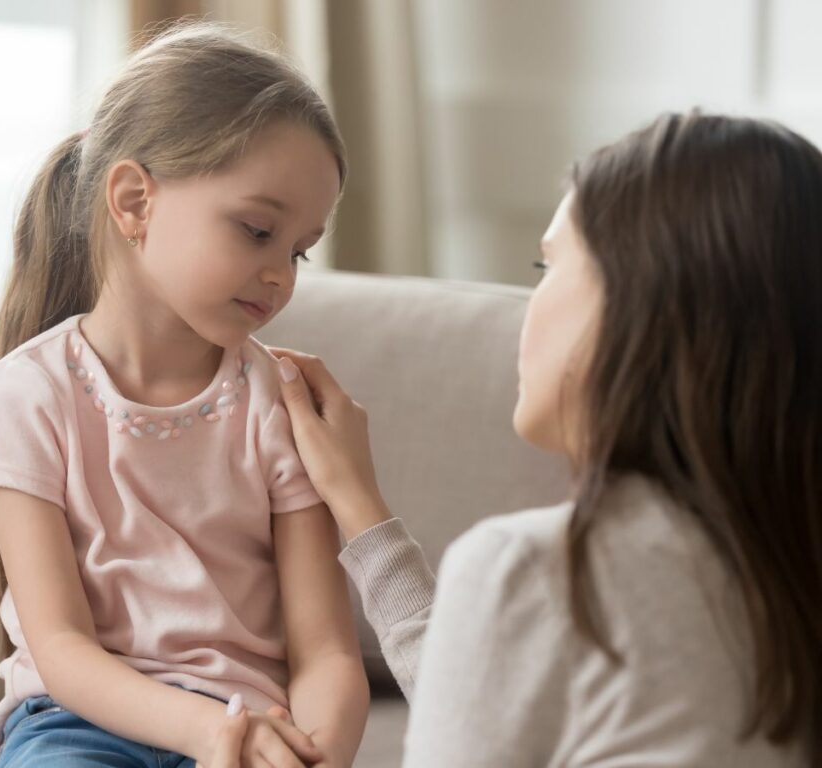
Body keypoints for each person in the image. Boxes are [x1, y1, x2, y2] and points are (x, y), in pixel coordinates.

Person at [244, 112, 819, 766]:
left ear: (638, 303)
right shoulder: (783, 569)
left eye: (548, 266)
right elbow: (497, 699)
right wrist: (359, 507)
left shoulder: (539, 571)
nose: (531, 303)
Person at [0, 22, 368, 768]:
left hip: (250, 725)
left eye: (298, 249)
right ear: (135, 201)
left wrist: (319, 753)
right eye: (257, 230)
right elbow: (63, 647)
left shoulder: (279, 400)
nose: (282, 275)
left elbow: (327, 651)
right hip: (73, 722)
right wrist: (204, 732)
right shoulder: (26, 395)